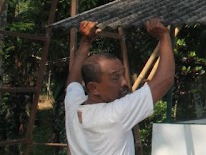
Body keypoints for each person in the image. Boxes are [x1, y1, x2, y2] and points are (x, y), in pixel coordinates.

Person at [64, 19, 175, 155]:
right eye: (115, 78)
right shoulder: (116, 113)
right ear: (93, 88)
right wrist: (164, 37)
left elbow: (73, 82)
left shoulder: (73, 106)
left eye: (123, 74)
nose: (124, 82)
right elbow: (165, 80)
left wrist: (86, 42)